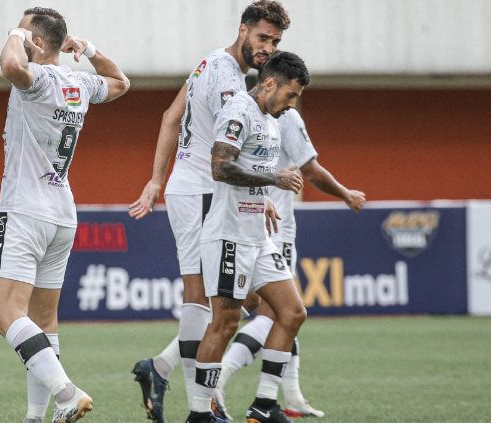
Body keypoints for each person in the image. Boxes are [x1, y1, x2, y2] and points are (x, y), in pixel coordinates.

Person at [127, 2, 305, 422]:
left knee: (249, 301)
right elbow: (228, 150)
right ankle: (201, 405)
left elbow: (172, 116)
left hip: (214, 192)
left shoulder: (207, 63)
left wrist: (157, 178)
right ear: (243, 29)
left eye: (275, 42)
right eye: (262, 38)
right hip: (204, 191)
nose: (267, 48)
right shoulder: (231, 82)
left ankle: (167, 372)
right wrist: (161, 180)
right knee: (206, 301)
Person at [0, 7, 129, 423]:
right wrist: (91, 50)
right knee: (43, 319)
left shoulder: (40, 80)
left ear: (39, 42)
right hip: (62, 213)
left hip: (25, 209)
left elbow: (12, 63)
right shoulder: (79, 82)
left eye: (26, 29)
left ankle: (66, 392)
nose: (18, 33)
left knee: (6, 315)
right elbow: (121, 82)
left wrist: (17, 34)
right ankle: (36, 416)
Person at [211, 109, 366, 419]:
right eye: (293, 91)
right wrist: (345, 194)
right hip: (271, 228)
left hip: (261, 221)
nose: (294, 99)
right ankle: (221, 379)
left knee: (282, 313)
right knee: (275, 313)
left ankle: (290, 395)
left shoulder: (256, 117)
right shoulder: (285, 116)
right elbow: (311, 170)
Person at [186, 51, 310, 423]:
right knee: (223, 324)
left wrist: (265, 198)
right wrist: (273, 181)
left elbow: (250, 169)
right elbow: (221, 167)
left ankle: (264, 406)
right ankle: (198, 414)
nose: (291, 105)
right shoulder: (238, 110)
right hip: (228, 238)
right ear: (269, 83)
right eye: (290, 95)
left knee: (292, 313)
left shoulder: (272, 120)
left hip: (258, 235)